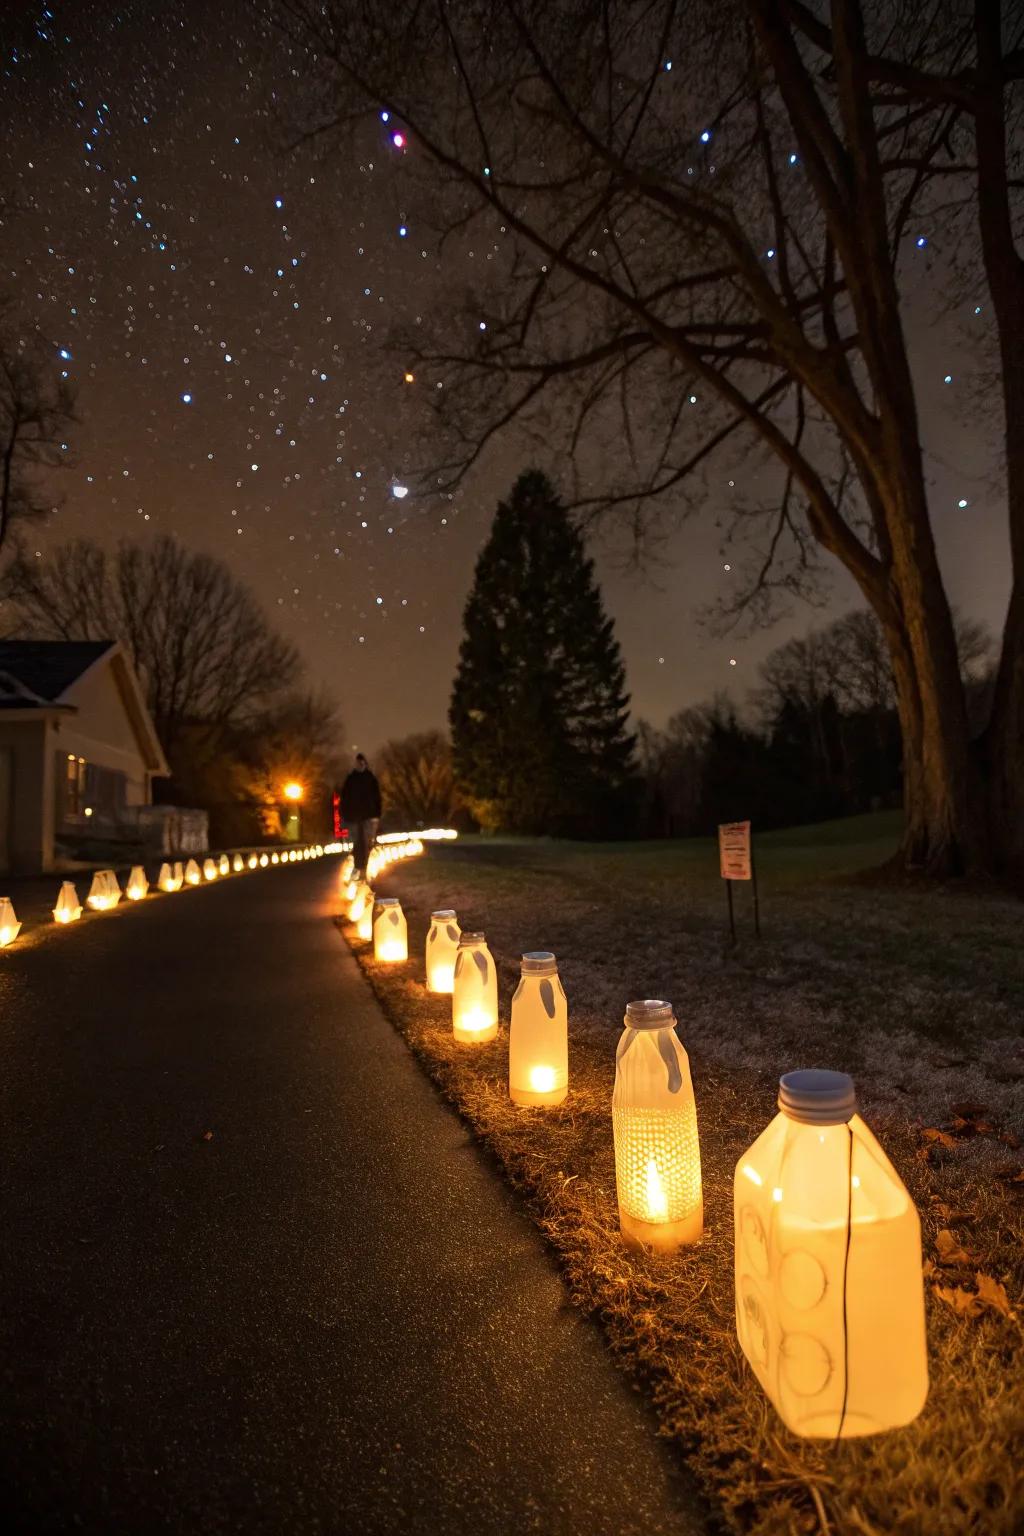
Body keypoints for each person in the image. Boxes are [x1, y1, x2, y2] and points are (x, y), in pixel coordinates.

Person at [340, 752, 382, 876]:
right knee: (357, 842)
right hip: (354, 816)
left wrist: (377, 813)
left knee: (367, 842)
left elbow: (377, 797)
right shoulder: (351, 779)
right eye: (358, 763)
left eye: (362, 763)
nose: (360, 765)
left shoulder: (371, 778)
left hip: (369, 815)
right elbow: (345, 797)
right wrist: (345, 814)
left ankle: (365, 867)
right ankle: (358, 866)